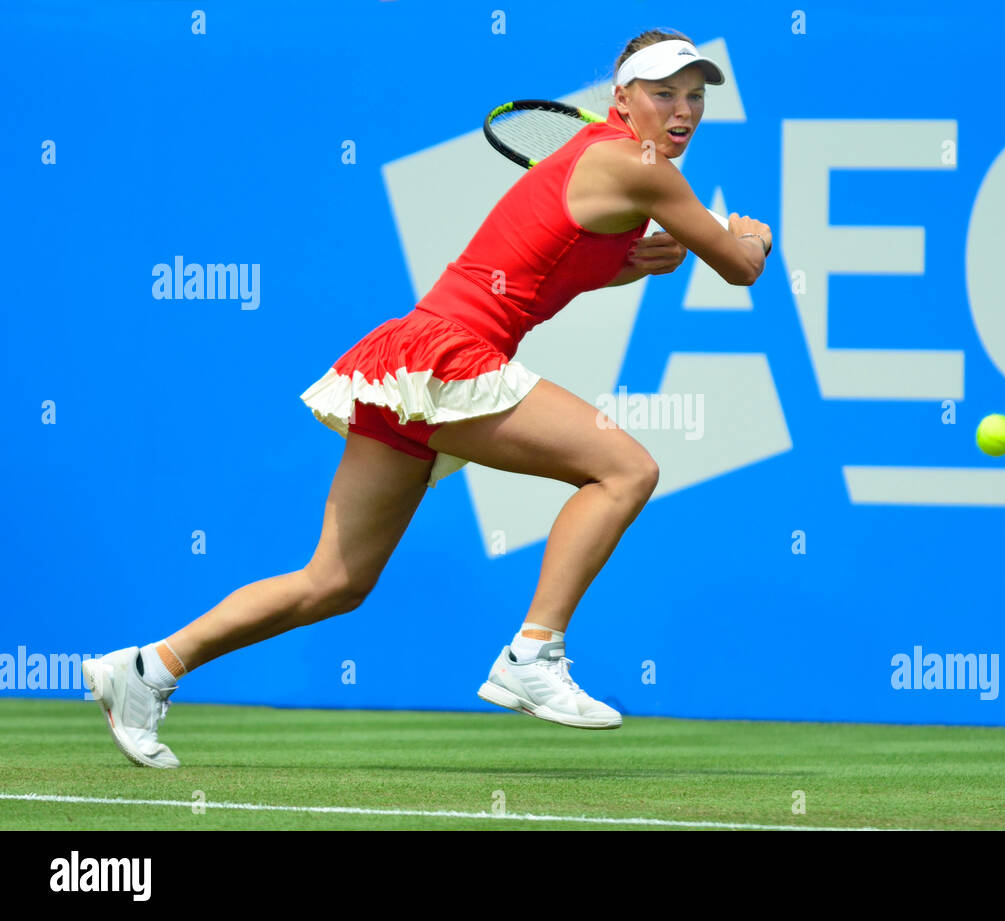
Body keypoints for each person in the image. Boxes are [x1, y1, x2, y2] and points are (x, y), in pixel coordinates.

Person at [82, 28, 772, 767]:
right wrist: (751, 237)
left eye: (695, 95)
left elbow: (544, 276)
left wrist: (631, 265)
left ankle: (148, 669)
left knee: (335, 581)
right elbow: (736, 266)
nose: (682, 110)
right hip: (450, 359)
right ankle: (533, 655)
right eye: (663, 93)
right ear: (622, 99)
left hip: (406, 361)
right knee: (626, 470)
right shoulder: (643, 167)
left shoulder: (603, 160)